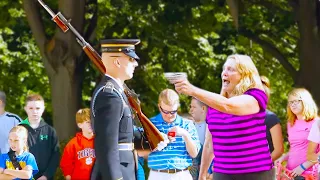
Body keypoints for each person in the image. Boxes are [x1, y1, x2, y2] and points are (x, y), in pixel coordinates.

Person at [174, 54, 273, 180]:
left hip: (256, 172)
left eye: (231, 69)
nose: (224, 73)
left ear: (244, 75)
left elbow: (229, 106)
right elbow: (209, 145)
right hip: (223, 173)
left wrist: (192, 90)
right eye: (224, 69)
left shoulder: (255, 97)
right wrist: (202, 175)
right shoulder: (215, 106)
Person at [90, 39, 167, 180]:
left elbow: (123, 135)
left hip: (126, 169)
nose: (136, 63)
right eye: (131, 59)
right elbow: (106, 147)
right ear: (117, 62)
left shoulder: (118, 92)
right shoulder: (110, 95)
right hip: (118, 174)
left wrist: (150, 139)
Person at [147, 89, 201, 180]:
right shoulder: (151, 124)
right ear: (159, 107)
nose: (169, 115)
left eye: (173, 112)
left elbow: (194, 154)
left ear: (177, 108)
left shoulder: (187, 124)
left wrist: (185, 134)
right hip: (157, 174)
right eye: (166, 112)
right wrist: (157, 141)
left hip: (181, 174)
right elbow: (140, 152)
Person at [276, 88, 319, 179]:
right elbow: (295, 148)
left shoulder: (316, 122)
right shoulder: (290, 124)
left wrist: (302, 167)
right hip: (290, 173)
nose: (293, 104)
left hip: (309, 174)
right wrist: (283, 158)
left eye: (296, 101)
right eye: (291, 102)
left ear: (305, 102)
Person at [19, 94, 60, 180]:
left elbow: (55, 156)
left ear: (43, 109)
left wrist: (46, 176)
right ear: (25, 108)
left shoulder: (50, 131)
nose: (34, 111)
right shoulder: (19, 130)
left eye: (37, 108)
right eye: (31, 108)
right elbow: (13, 154)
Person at [60, 108, 95, 180]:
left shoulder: (99, 142)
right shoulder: (73, 143)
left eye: (92, 121)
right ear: (80, 125)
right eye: (87, 122)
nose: (90, 124)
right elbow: (66, 164)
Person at [260, 76, 284, 162]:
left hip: (263, 172)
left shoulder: (271, 118)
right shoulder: (240, 116)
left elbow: (279, 150)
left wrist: (262, 165)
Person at [188, 97, 209, 180]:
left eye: (194, 107)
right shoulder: (188, 127)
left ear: (203, 108)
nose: (191, 110)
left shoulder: (212, 128)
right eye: (190, 107)